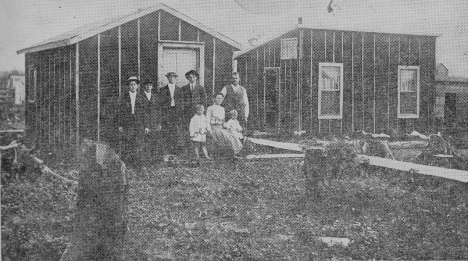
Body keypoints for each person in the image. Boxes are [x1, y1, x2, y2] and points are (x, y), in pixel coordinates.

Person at [117, 76, 142, 167]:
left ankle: (136, 163)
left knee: (137, 142)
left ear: (137, 86)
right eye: (131, 85)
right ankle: (126, 163)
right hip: (127, 122)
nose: (133, 86)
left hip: (138, 123)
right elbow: (120, 111)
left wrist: (144, 125)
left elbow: (143, 112)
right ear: (128, 86)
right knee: (127, 141)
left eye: (134, 84)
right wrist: (120, 125)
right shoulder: (124, 97)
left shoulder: (141, 97)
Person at [136, 80, 161, 166]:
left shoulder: (155, 96)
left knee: (154, 141)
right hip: (144, 123)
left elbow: (158, 110)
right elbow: (140, 112)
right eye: (147, 85)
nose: (149, 87)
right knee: (145, 142)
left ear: (152, 87)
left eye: (150, 85)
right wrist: (145, 126)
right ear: (143, 86)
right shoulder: (139, 96)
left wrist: (159, 123)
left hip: (154, 122)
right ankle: (145, 161)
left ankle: (153, 161)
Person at [157, 72, 182, 155]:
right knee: (166, 131)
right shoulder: (163, 89)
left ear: (175, 79)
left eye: (173, 77)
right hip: (167, 111)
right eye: (170, 77)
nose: (172, 79)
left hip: (175, 112)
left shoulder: (179, 89)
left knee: (175, 131)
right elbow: (160, 103)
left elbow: (181, 103)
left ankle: (174, 149)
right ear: (168, 78)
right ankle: (166, 150)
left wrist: (179, 114)